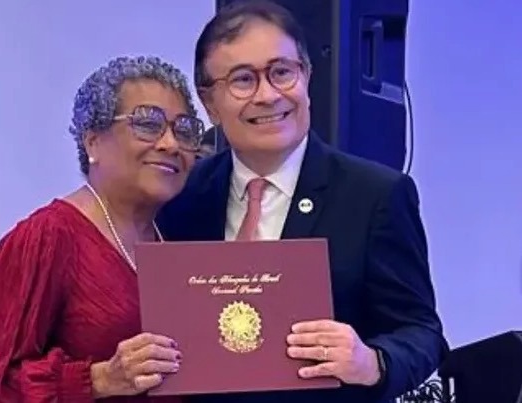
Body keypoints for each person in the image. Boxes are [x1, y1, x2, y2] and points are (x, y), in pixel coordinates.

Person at [156, 1, 448, 402]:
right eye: (243, 80)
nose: (267, 95)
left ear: (307, 76)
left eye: (281, 72)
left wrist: (372, 361)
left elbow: (422, 332)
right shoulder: (182, 196)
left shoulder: (376, 195)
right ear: (210, 104)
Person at [0, 55, 205, 402]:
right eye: (148, 124)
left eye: (183, 129)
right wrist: (100, 379)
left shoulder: (173, 238)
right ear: (93, 141)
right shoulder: (47, 237)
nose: (170, 144)